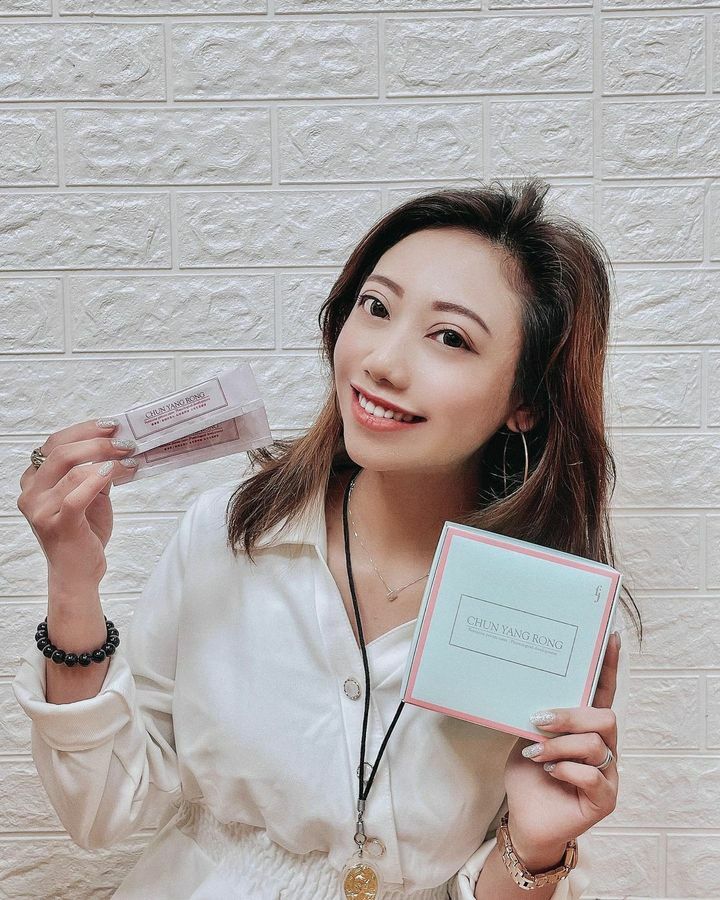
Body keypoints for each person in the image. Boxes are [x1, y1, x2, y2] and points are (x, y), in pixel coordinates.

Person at [13, 177, 642, 900]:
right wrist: (72, 580)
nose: (382, 362)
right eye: (376, 307)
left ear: (525, 401)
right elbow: (103, 811)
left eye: (450, 337)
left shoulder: (546, 616)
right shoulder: (228, 535)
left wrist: (534, 847)